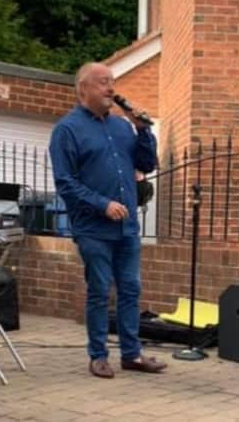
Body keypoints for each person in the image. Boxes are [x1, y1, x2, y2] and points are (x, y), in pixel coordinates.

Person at [49, 62, 165, 378]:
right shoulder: (67, 130)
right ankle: (98, 355)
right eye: (103, 82)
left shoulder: (120, 126)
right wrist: (103, 204)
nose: (111, 88)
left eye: (112, 81)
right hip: (93, 228)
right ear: (83, 88)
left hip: (126, 227)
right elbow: (65, 182)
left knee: (131, 289)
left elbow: (146, 163)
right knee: (100, 291)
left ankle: (131, 354)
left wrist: (143, 130)